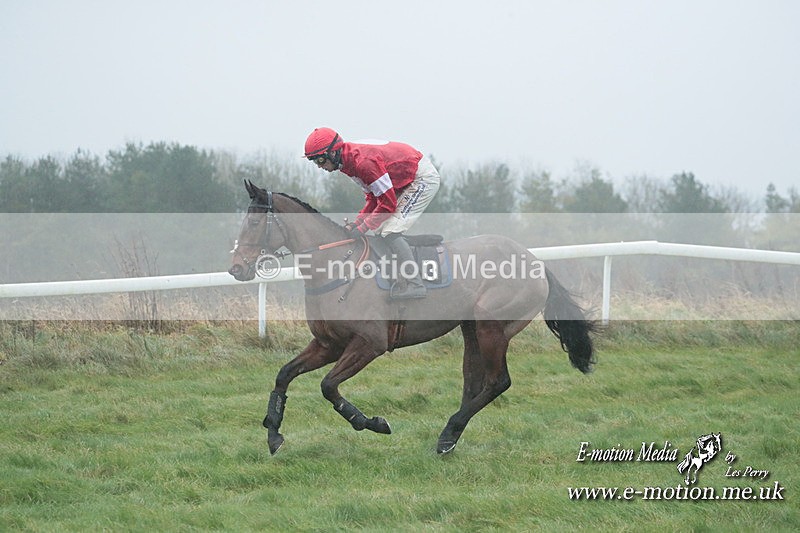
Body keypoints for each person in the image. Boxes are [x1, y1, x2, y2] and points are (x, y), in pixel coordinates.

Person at [304, 127, 440, 300]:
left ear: (333, 152)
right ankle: (398, 275)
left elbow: (388, 205)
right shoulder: (347, 163)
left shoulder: (363, 163)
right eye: (315, 162)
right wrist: (357, 223)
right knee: (380, 229)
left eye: (321, 160)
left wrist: (363, 228)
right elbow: (373, 198)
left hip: (421, 179)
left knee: (390, 231)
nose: (319, 166)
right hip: (402, 178)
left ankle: (416, 284)